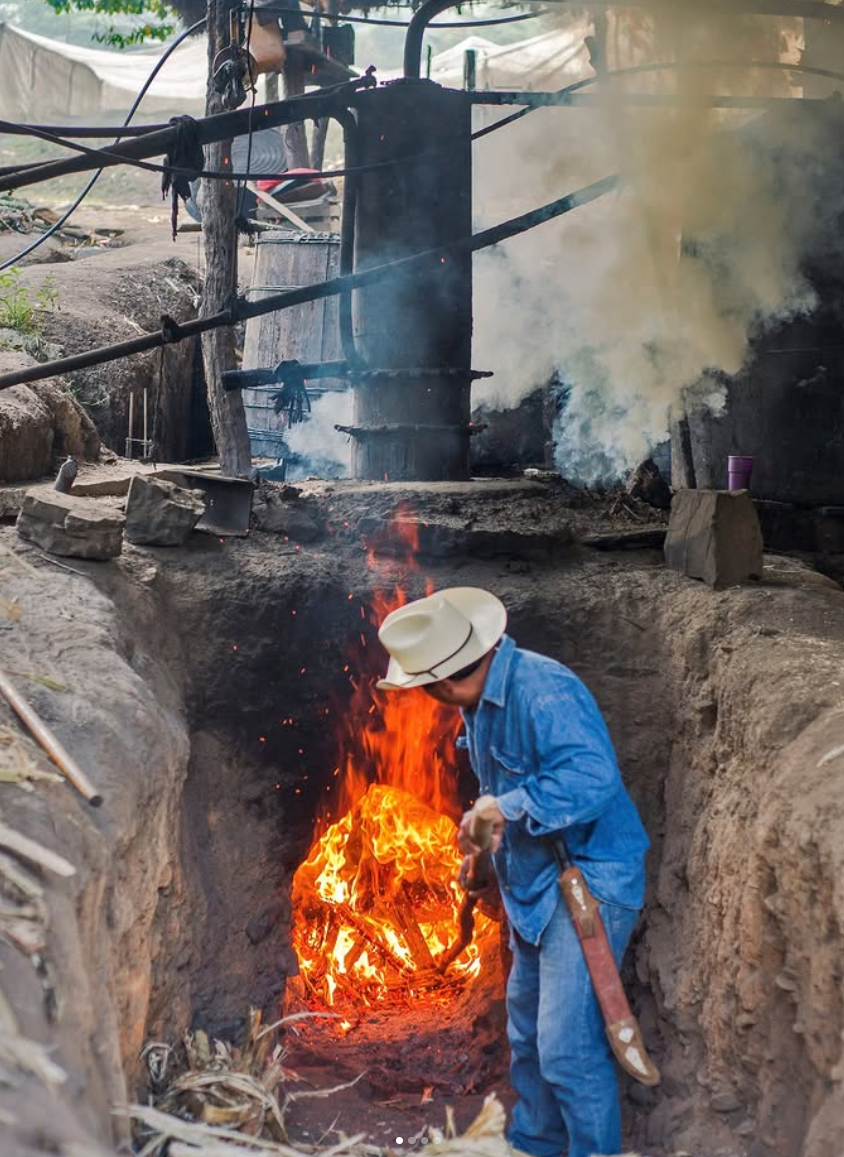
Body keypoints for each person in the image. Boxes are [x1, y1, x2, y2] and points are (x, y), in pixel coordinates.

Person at [377, 587, 650, 1157]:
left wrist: (508, 808)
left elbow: (593, 780)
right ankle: (534, 1144)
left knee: (568, 1051)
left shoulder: (543, 692)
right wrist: (482, 857)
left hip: (589, 879)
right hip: (532, 884)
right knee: (527, 1036)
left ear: (442, 681)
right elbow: (497, 790)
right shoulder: (477, 705)